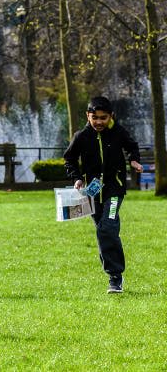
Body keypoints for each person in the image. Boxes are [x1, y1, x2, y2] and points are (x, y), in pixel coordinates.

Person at [64, 96, 143, 294]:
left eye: (103, 118)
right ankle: (113, 274)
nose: (99, 122)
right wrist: (77, 178)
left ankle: (115, 277)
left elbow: (132, 146)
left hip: (114, 189)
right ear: (88, 116)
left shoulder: (118, 132)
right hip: (91, 192)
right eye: (95, 118)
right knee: (103, 231)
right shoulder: (81, 137)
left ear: (111, 116)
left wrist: (134, 159)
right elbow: (69, 159)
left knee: (108, 226)